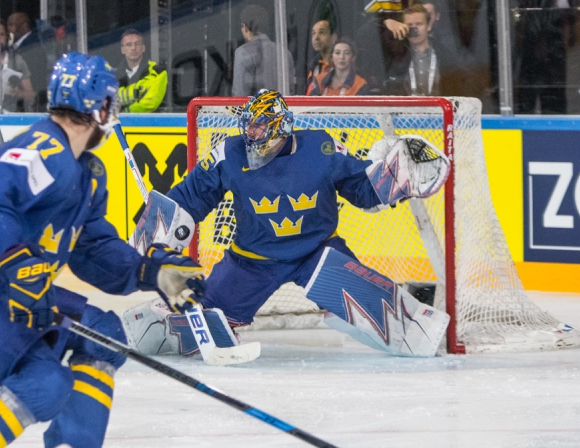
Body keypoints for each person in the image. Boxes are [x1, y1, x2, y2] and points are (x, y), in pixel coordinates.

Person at [0, 53, 205, 447]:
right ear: (102, 107)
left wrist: (150, 271)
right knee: (44, 383)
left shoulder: (83, 175)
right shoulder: (46, 150)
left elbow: (92, 250)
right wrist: (20, 268)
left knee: (103, 333)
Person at [122, 89, 451, 359]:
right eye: (248, 125)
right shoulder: (229, 153)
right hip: (252, 260)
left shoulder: (321, 148)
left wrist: (393, 178)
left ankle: (416, 330)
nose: (249, 134)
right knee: (196, 324)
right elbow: (193, 195)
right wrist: (162, 223)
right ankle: (152, 325)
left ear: (280, 126)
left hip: (317, 253)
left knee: (384, 312)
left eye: (259, 127)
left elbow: (361, 189)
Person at [514, 0, 576, 114]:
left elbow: (568, 14)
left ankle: (555, 125)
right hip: (531, 46)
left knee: (553, 99)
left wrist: (571, 30)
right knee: (526, 98)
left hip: (552, 48)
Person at [231, 4, 295, 96]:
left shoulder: (242, 53)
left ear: (244, 27)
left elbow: (240, 95)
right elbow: (290, 92)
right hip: (281, 109)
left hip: (255, 110)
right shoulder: (285, 53)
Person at [386, 4, 446, 96]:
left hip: (439, 108)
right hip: (406, 109)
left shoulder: (444, 54)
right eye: (409, 25)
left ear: (428, 26)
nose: (414, 29)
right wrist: (387, 22)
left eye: (419, 24)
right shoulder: (397, 55)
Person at [115, 29, 167, 113]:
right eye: (129, 45)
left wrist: (123, 112)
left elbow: (149, 104)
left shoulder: (157, 71)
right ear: (122, 50)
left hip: (151, 124)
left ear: (143, 48)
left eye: (137, 44)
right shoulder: (113, 76)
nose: (133, 48)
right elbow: (107, 101)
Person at [7, 12, 49, 111]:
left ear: (24, 26)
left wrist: (29, 94)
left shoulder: (30, 47)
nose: (8, 28)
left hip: (32, 102)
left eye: (11, 25)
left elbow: (36, 77)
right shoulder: (17, 47)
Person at [305, 20, 337, 91]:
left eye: (321, 32)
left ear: (333, 37)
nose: (316, 38)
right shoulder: (313, 67)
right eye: (313, 33)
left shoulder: (342, 67)